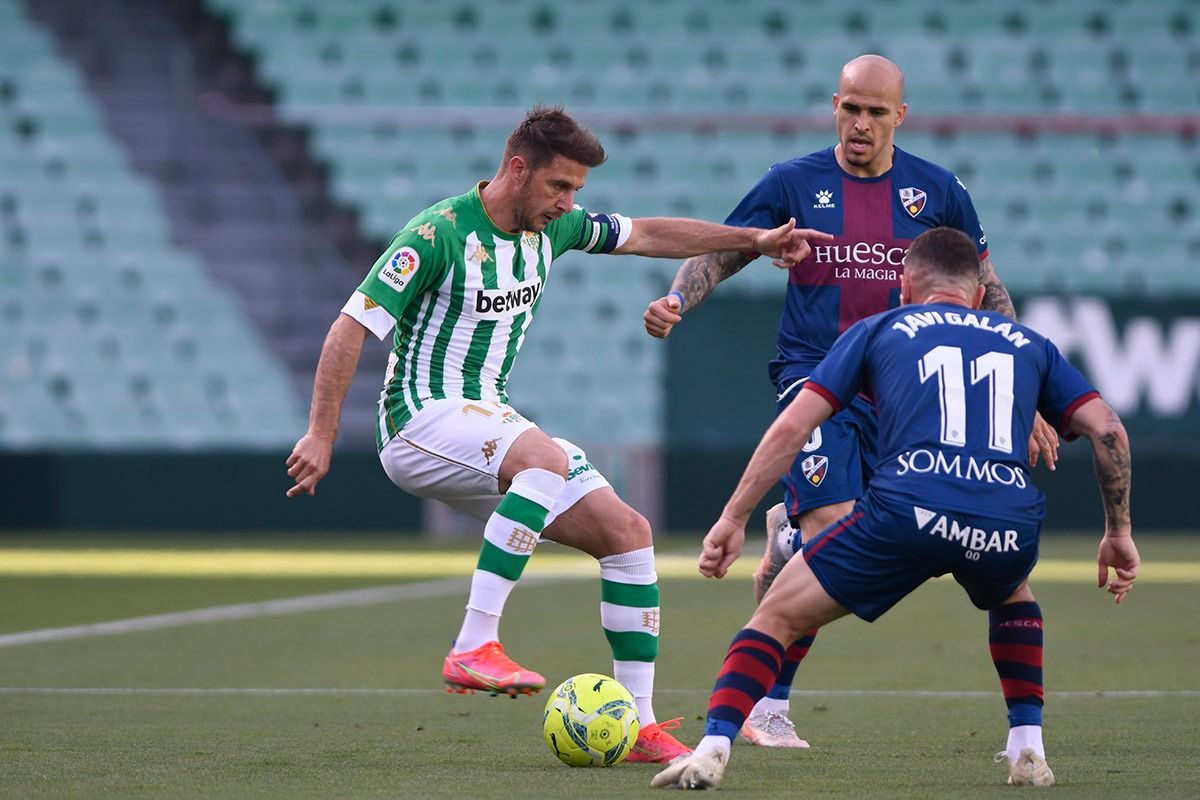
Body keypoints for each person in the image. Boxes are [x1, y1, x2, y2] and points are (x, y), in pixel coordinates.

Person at [284, 104, 828, 764]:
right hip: (418, 421)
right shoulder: (436, 234)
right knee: (541, 457)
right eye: (559, 187)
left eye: (576, 192)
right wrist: (320, 432)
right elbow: (351, 326)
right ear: (518, 168)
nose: (568, 203)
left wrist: (754, 240)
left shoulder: (558, 229)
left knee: (629, 535)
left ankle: (638, 724)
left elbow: (650, 233)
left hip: (487, 420)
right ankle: (472, 646)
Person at [643, 54, 1062, 748]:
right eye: (849, 108)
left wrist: (1026, 392)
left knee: (825, 540)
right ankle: (768, 707)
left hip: (906, 399)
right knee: (834, 525)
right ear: (834, 106)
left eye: (875, 111)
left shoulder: (938, 190)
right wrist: (677, 298)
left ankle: (788, 542)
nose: (859, 123)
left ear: (900, 115)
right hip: (817, 380)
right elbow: (727, 248)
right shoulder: (795, 182)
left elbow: (986, 287)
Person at [649, 227, 1139, 790]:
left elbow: (794, 425)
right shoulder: (1027, 342)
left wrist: (733, 517)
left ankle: (712, 747)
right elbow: (1107, 430)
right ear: (978, 293)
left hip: (906, 512)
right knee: (1012, 595)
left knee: (776, 615)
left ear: (904, 286)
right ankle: (1027, 745)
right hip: (1008, 519)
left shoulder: (880, 328)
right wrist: (1118, 530)